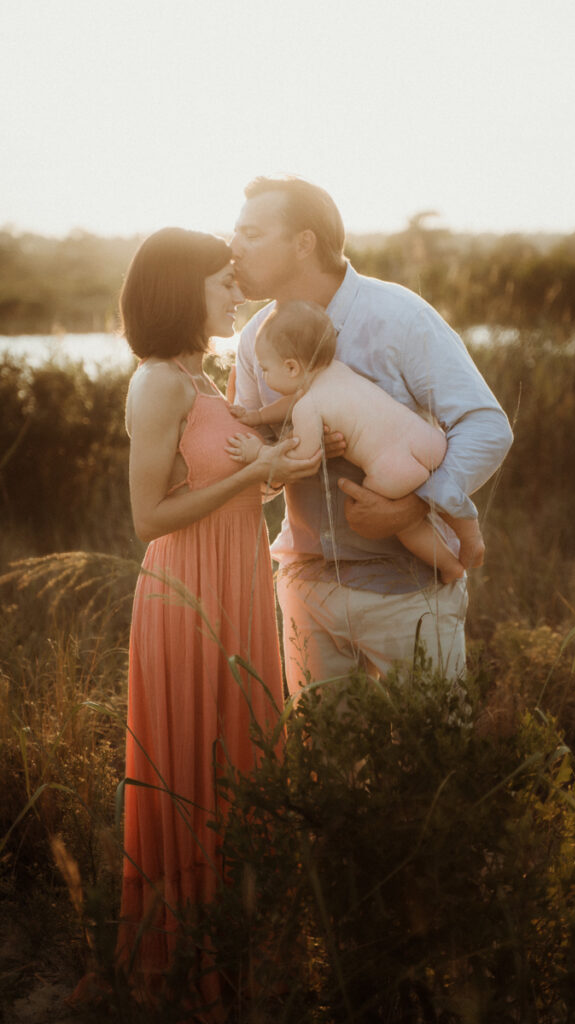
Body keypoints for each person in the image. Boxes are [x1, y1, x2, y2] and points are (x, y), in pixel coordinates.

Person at [117, 227, 321, 1014]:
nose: (236, 296)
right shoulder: (156, 386)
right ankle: (188, 963)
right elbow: (147, 517)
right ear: (181, 290)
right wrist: (264, 466)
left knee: (243, 753)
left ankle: (241, 950)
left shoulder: (195, 374)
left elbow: (229, 475)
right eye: (221, 282)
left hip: (238, 583)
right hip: (185, 592)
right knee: (194, 765)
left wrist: (276, 458)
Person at [231, 176, 513, 692]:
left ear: (303, 243)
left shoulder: (399, 316)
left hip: (407, 589)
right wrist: (282, 457)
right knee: (323, 769)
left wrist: (415, 505)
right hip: (306, 591)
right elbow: (258, 483)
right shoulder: (254, 340)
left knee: (433, 761)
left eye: (251, 234)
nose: (233, 249)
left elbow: (486, 425)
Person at [229, 299, 463, 582]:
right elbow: (294, 399)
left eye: (265, 369)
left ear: (291, 368)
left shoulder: (308, 408)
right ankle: (469, 536)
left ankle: (450, 566)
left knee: (406, 524)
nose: (263, 375)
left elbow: (302, 458)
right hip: (427, 440)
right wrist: (257, 416)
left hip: (392, 469)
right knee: (444, 491)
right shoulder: (336, 371)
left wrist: (259, 451)